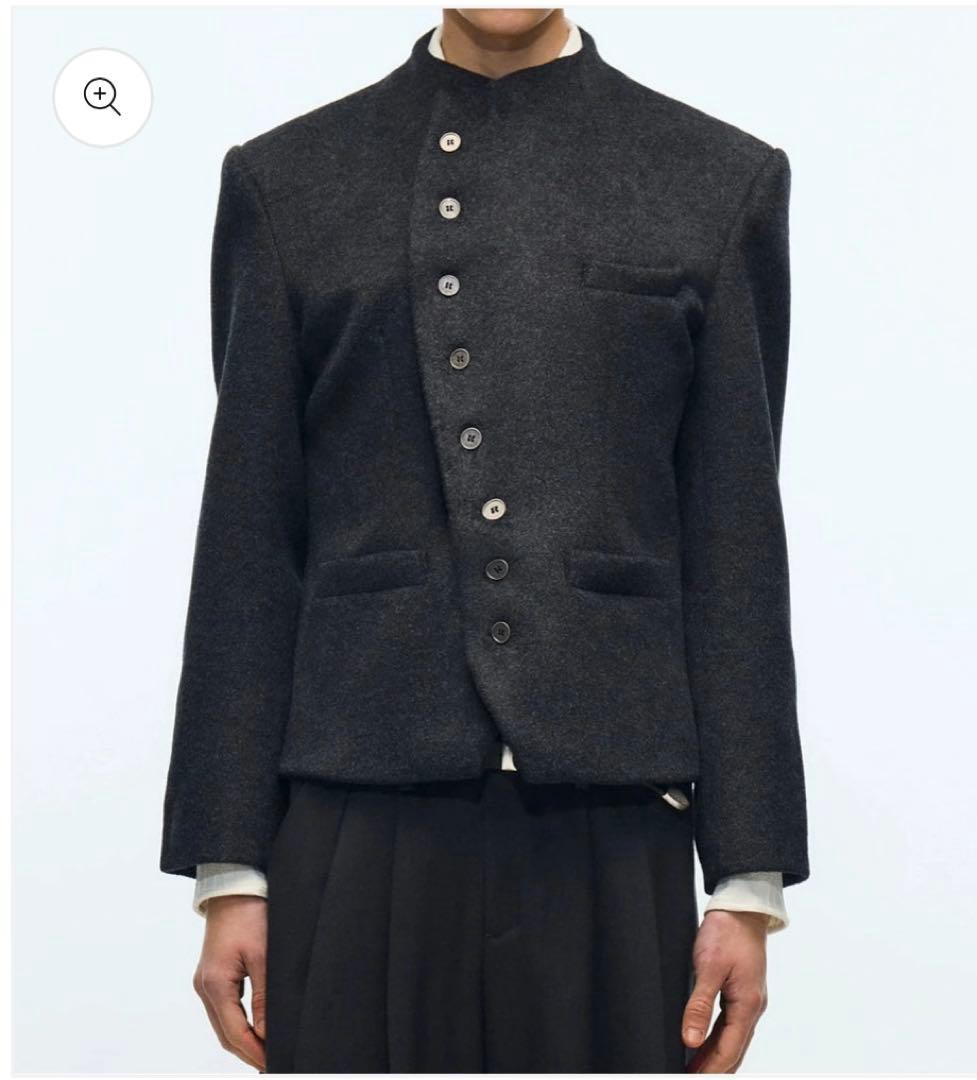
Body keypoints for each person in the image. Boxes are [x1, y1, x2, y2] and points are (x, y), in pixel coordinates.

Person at [160, 8, 809, 1073]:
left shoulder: (714, 176)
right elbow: (247, 535)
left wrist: (747, 881)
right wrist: (227, 865)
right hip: (355, 801)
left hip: (613, 811)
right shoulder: (288, 178)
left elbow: (733, 540)